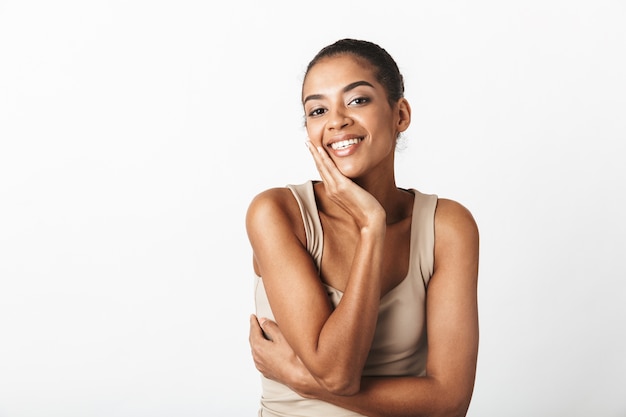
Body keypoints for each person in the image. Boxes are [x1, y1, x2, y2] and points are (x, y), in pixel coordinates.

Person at [246, 38, 479, 417]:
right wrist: (373, 226)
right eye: (318, 110)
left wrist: (301, 379)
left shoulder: (447, 227)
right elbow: (337, 373)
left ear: (400, 114)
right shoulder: (276, 213)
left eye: (357, 100)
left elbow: (450, 403)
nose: (337, 120)